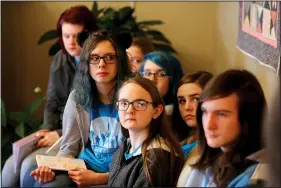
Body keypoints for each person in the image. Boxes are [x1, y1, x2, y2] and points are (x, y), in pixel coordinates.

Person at [1, 5, 98, 187]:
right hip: (56, 133)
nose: (71, 42)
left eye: (77, 36)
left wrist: (59, 134)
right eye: (66, 36)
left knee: (29, 167)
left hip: (78, 138)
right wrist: (47, 130)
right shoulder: (59, 60)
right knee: (10, 167)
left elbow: (93, 117)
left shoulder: (98, 65)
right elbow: (52, 102)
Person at [22, 30, 132, 187]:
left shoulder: (134, 95)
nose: (101, 64)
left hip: (118, 173)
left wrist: (100, 178)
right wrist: (53, 169)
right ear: (86, 63)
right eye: (94, 58)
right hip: (83, 167)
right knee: (37, 179)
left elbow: (140, 158)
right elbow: (69, 148)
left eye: (109, 57)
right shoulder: (77, 98)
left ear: (119, 60)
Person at [177, 69, 267, 187]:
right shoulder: (209, 160)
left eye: (221, 114)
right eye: (205, 112)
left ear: (248, 117)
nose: (209, 125)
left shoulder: (256, 178)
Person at [107, 76, 184, 187]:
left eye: (140, 103)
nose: (129, 110)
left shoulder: (157, 158)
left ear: (156, 111)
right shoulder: (123, 149)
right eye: (124, 103)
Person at [139, 51, 184, 116]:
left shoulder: (180, 112)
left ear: (173, 79)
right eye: (147, 73)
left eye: (161, 74)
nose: (152, 79)